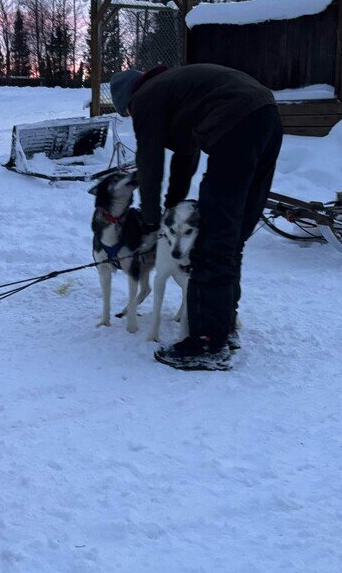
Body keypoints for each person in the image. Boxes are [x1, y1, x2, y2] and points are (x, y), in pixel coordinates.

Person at [109, 64, 281, 371]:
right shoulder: (177, 89)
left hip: (236, 122)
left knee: (212, 238)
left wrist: (150, 221)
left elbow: (149, 164)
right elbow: (185, 158)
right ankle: (223, 326)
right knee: (233, 234)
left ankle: (206, 342)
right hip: (266, 115)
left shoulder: (146, 98)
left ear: (128, 103)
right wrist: (170, 212)